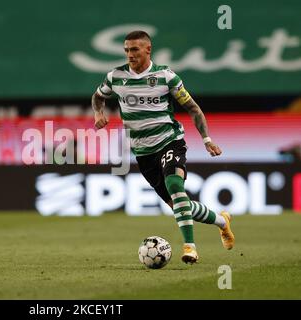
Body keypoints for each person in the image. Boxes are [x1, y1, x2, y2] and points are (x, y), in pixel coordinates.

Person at [91, 30, 235, 264]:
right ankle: (221, 221)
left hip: (170, 140)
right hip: (143, 152)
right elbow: (98, 96)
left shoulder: (166, 77)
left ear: (148, 50)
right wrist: (98, 112)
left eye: (135, 49)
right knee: (179, 204)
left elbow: (193, 108)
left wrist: (207, 140)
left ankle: (190, 247)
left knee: (175, 184)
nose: (130, 54)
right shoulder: (115, 77)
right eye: (127, 50)